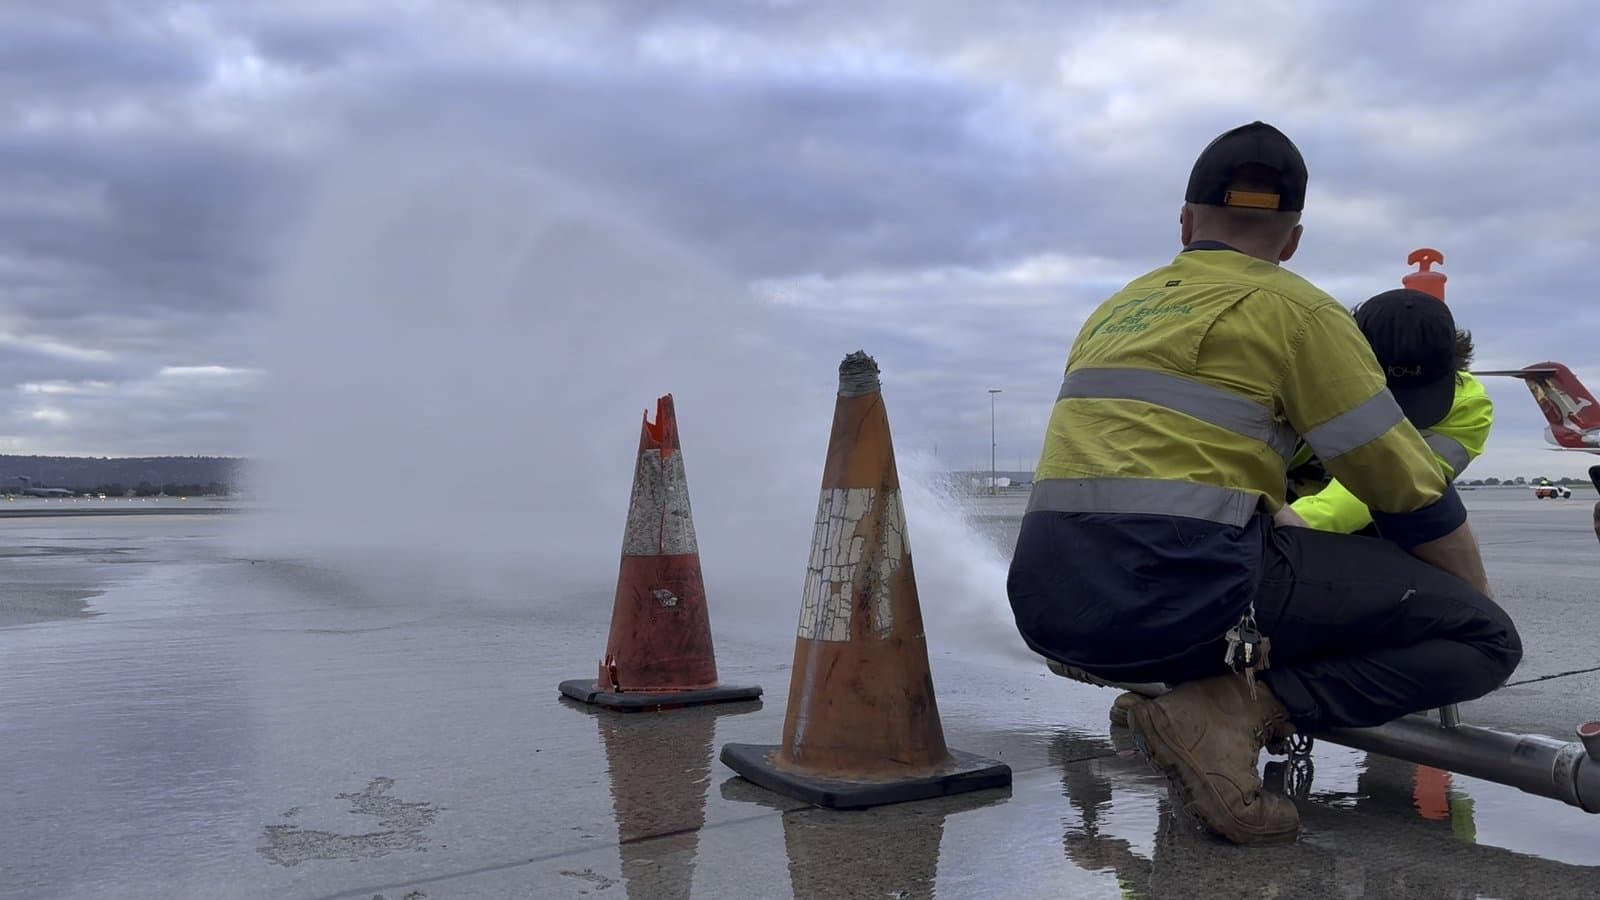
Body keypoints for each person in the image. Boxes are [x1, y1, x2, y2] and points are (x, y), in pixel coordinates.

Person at [1007, 121, 1523, 846]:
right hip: (1173, 603)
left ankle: (1190, 697)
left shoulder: (1116, 309)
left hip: (1053, 608)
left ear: (1186, 224)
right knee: (1485, 640)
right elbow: (1404, 488)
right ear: (1292, 241)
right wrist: (1473, 606)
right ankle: (1229, 715)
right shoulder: (1297, 309)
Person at [1286, 289, 1493, 534]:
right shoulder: (1296, 366)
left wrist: (1290, 525)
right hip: (1276, 494)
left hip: (1373, 516)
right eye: (1380, 388)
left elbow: (1392, 483)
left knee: (1439, 522)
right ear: (1348, 352)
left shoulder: (1468, 407)